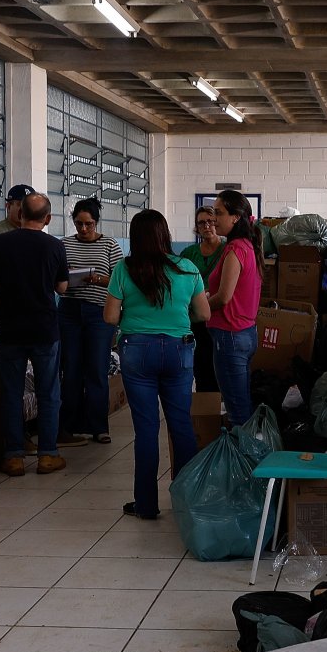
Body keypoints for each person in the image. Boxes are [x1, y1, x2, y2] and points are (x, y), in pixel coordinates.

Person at [106, 210, 211, 520]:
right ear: (165, 234)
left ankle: (146, 505)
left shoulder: (124, 268)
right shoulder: (188, 268)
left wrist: (135, 317)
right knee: (181, 426)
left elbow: (110, 317)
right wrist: (177, 315)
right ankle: (186, 504)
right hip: (179, 350)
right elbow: (204, 314)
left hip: (137, 351)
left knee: (146, 430)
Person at [0, 193, 68, 477]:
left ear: (21, 214)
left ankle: (13, 456)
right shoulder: (55, 246)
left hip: (10, 330)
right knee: (48, 392)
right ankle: (47, 455)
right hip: (44, 330)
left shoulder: (0, 243)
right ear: (47, 219)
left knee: (12, 393)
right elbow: (62, 288)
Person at [59, 198, 124, 446]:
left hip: (99, 313)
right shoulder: (64, 244)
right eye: (79, 224)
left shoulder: (109, 245)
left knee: (97, 369)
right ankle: (69, 426)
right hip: (69, 311)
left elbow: (119, 279)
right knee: (71, 368)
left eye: (88, 224)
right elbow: (56, 276)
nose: (83, 229)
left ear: (96, 222)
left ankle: (98, 426)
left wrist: (96, 279)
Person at [207, 189, 262, 426]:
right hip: (244, 333)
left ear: (236, 217)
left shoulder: (235, 249)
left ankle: (242, 449)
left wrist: (197, 306)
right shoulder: (248, 246)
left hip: (230, 335)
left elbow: (223, 297)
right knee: (242, 405)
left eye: (219, 213)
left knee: (237, 413)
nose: (214, 219)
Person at [179, 206, 223, 392]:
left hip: (221, 316)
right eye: (201, 223)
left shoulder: (228, 250)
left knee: (220, 366)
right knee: (200, 364)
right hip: (195, 318)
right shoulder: (188, 254)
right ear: (196, 227)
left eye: (211, 221)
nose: (207, 226)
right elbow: (179, 282)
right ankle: (206, 404)